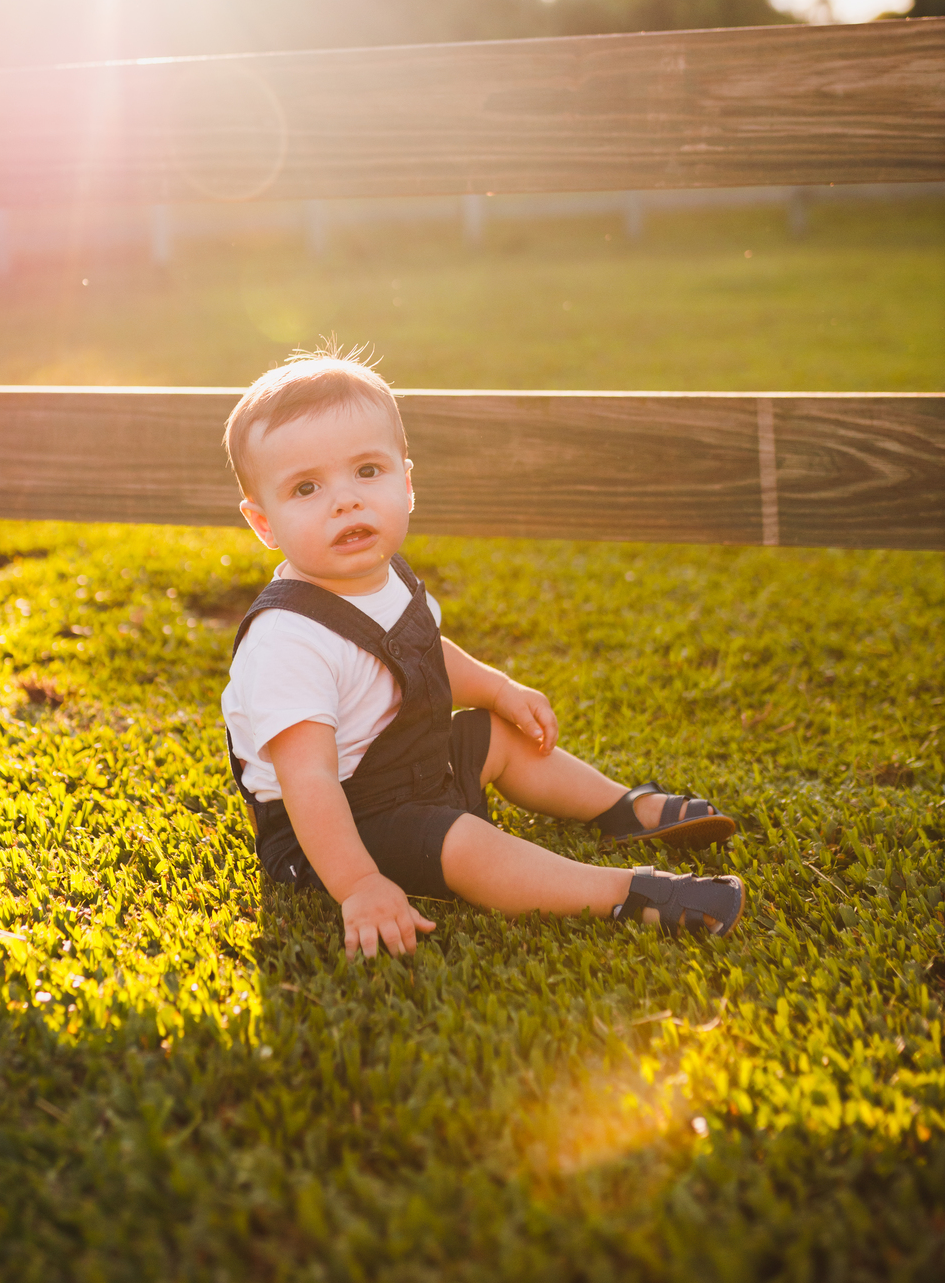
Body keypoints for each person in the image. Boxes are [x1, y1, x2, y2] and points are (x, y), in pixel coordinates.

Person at [221, 346, 744, 960]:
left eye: (367, 472)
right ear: (263, 524)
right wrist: (361, 884)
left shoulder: (386, 579)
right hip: (335, 827)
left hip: (410, 771)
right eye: (307, 487)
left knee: (496, 734)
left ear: (407, 484)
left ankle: (621, 806)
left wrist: (498, 688)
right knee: (464, 844)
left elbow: (421, 654)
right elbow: (308, 781)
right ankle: (625, 893)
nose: (346, 500)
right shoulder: (288, 639)